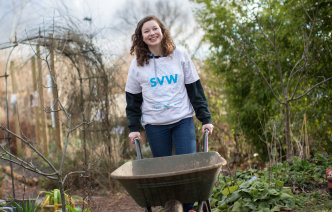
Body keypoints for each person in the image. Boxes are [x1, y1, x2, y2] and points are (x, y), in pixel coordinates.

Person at [125, 15, 213, 212]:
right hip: (155, 126)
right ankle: (171, 207)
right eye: (146, 31)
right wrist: (134, 128)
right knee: (164, 174)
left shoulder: (179, 55)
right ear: (141, 37)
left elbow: (194, 89)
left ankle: (189, 208)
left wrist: (205, 118)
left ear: (162, 31)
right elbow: (133, 100)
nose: (151, 33)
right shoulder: (137, 65)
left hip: (182, 120)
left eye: (154, 29)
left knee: (187, 169)